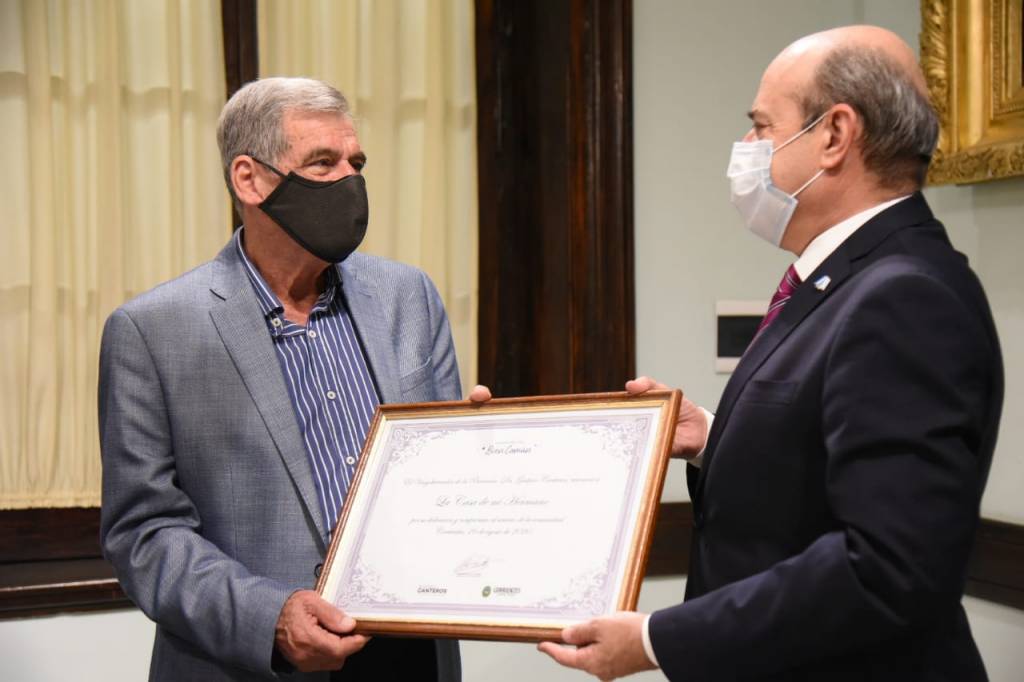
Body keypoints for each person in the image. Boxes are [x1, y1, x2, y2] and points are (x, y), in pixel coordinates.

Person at [539, 25, 1003, 681]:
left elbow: (887, 565)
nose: (748, 148)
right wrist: (714, 440)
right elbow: (822, 473)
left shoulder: (904, 296)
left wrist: (658, 639)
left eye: (761, 126)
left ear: (835, 135)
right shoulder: (848, 277)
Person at [99, 77, 486, 681]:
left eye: (356, 163)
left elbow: (438, 484)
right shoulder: (152, 331)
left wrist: (480, 450)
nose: (350, 181)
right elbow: (143, 533)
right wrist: (271, 617)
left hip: (409, 656)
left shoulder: (408, 297)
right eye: (323, 163)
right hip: (254, 663)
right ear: (249, 179)